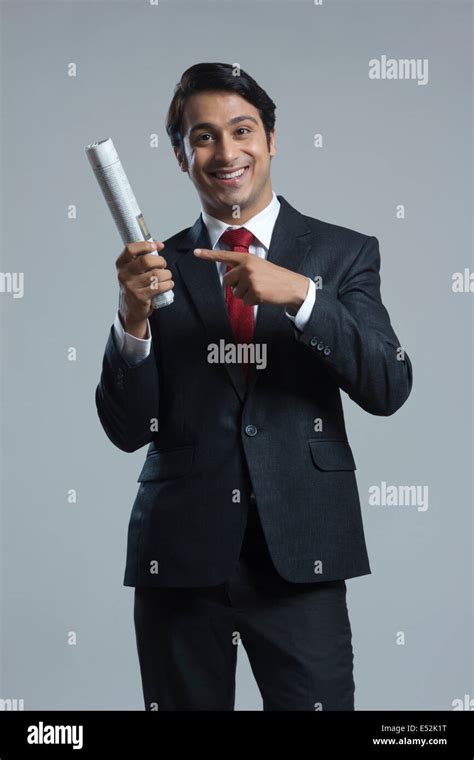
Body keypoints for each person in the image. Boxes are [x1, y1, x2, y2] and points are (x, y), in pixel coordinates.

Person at [95, 62, 413, 711]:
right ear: (181, 156)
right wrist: (131, 318)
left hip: (303, 560)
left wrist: (302, 296)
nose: (226, 151)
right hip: (179, 563)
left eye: (242, 130)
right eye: (203, 136)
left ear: (271, 138)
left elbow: (388, 384)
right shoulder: (155, 270)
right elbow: (128, 430)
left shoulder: (343, 254)